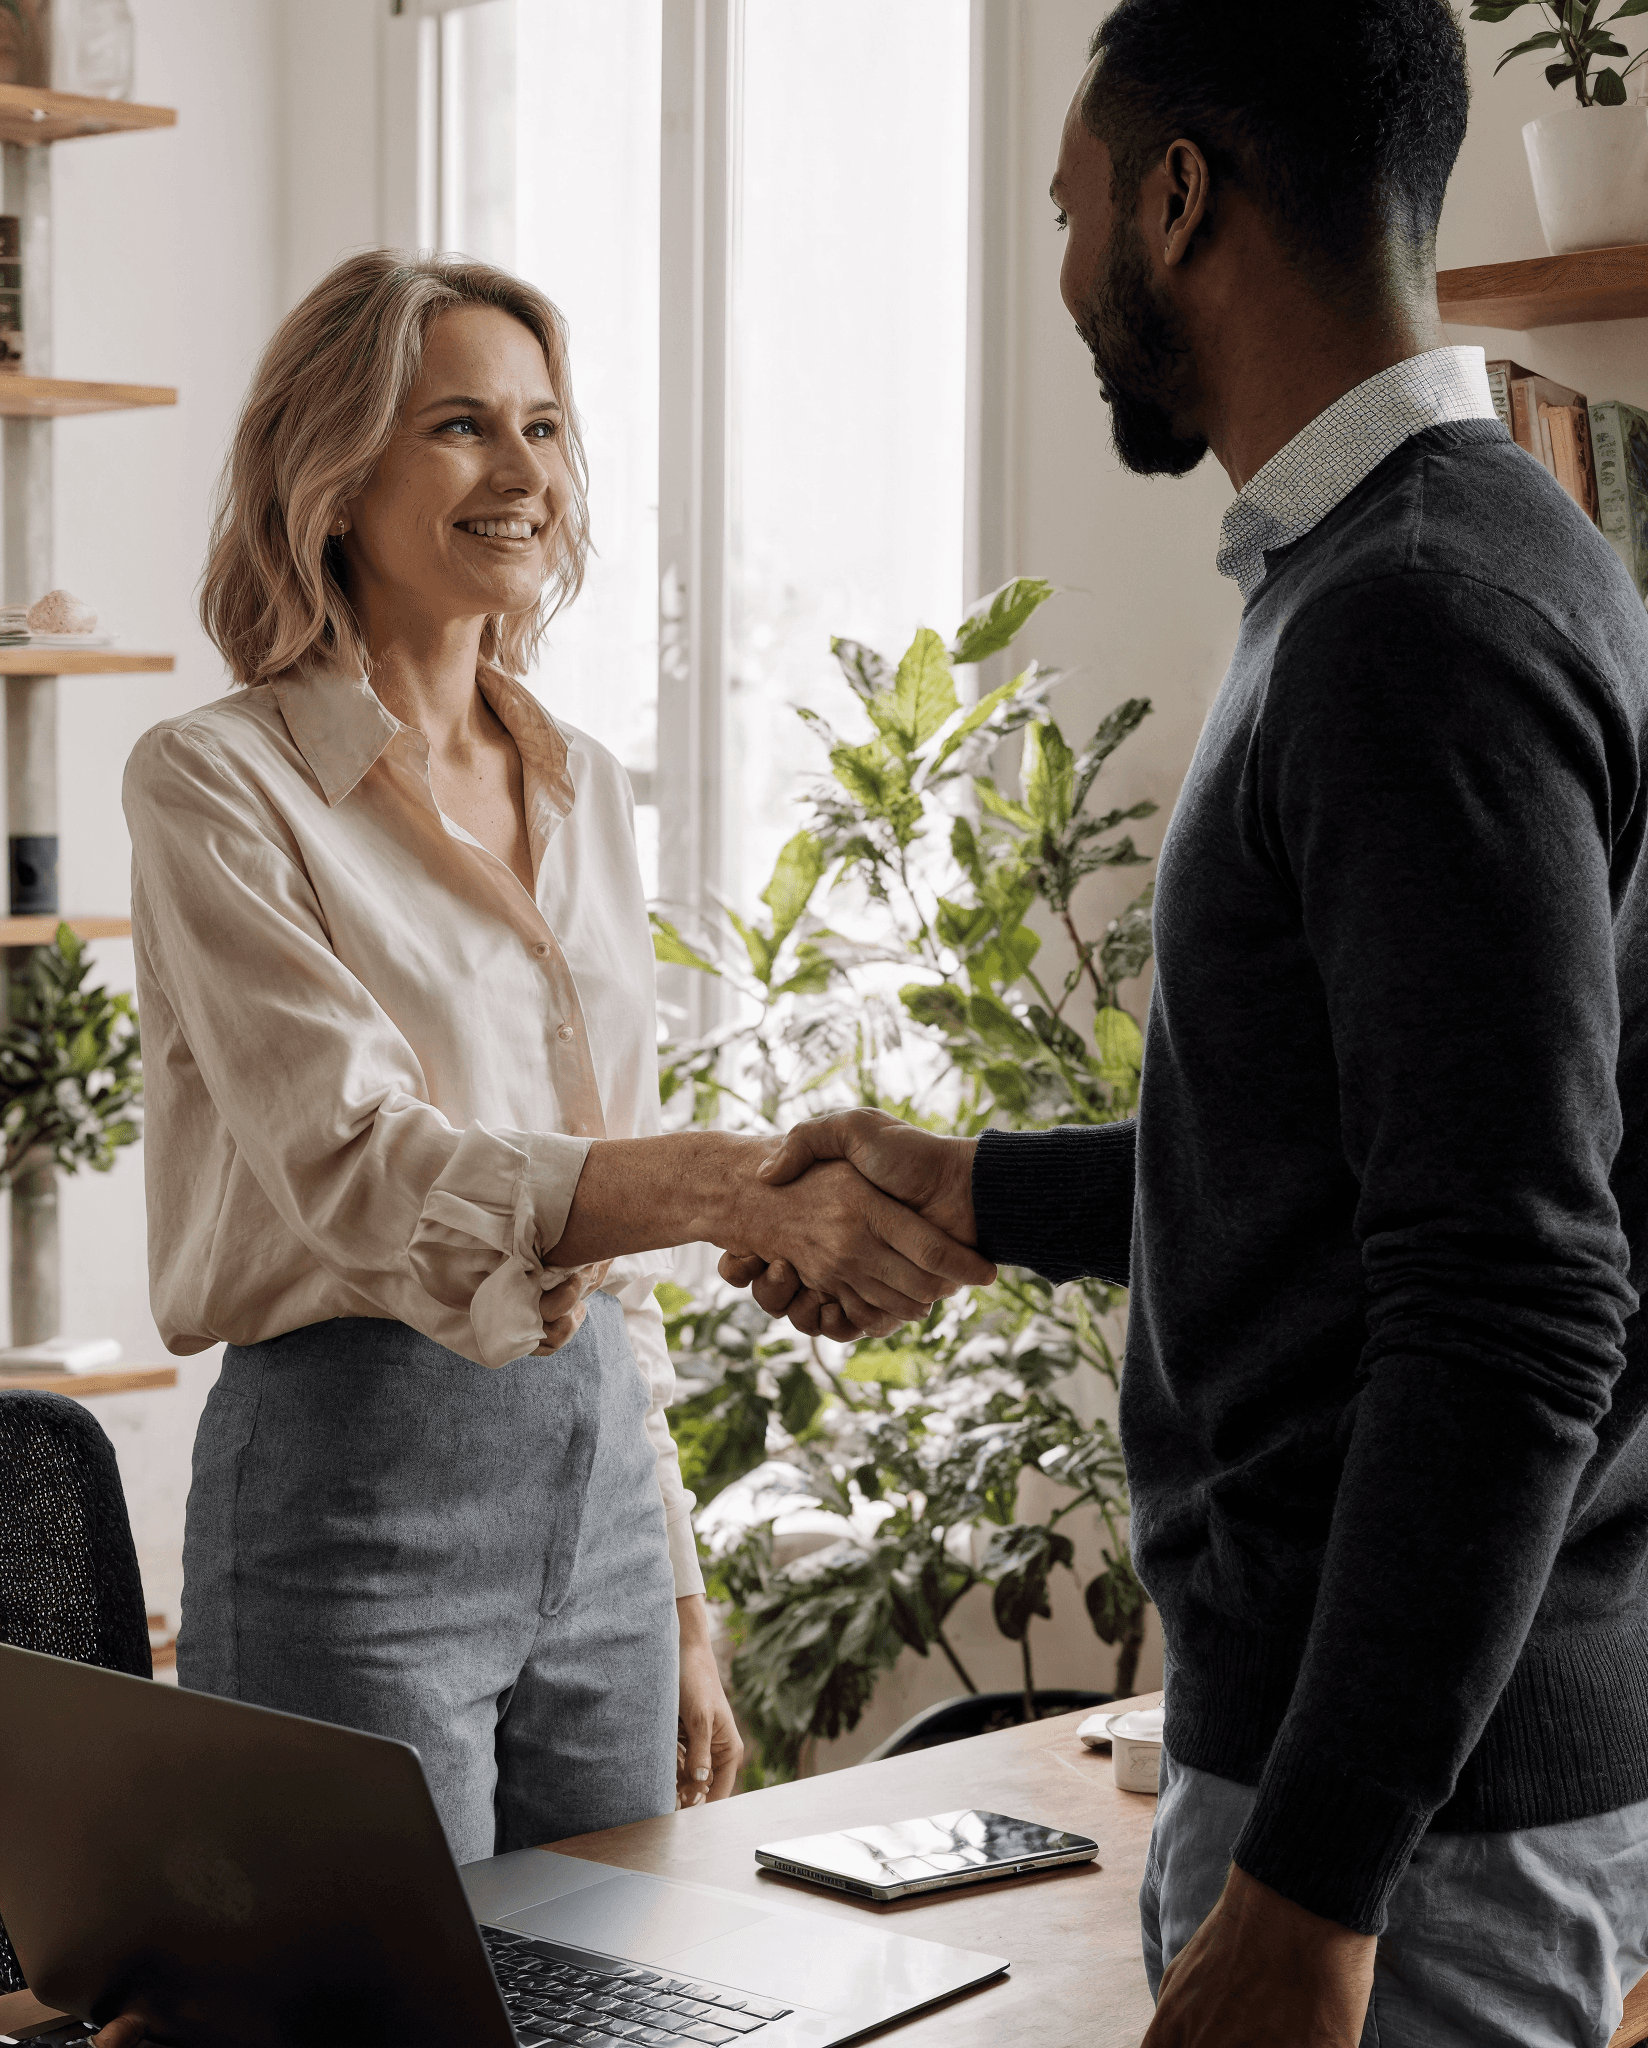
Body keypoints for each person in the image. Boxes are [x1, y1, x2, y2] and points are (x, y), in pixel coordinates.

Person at [724, 4, 1648, 2043]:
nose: (1066, 278)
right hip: (1423, 1790)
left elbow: (1507, 1295)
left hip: (1415, 1838)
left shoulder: (1410, 623)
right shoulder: (1447, 567)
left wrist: (1313, 1888)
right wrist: (971, 1183)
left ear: (1172, 197)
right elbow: (1361, 1159)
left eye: (1069, 210)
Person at [123, 250, 993, 1868]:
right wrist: (735, 1185)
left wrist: (667, 1583)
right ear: (335, 466)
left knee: (624, 1986)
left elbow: (608, 1214)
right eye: (462, 425)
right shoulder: (212, 783)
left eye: (544, 427)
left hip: (594, 1490)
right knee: (380, 2011)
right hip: (348, 1488)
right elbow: (359, 1165)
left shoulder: (583, 782)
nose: (524, 473)